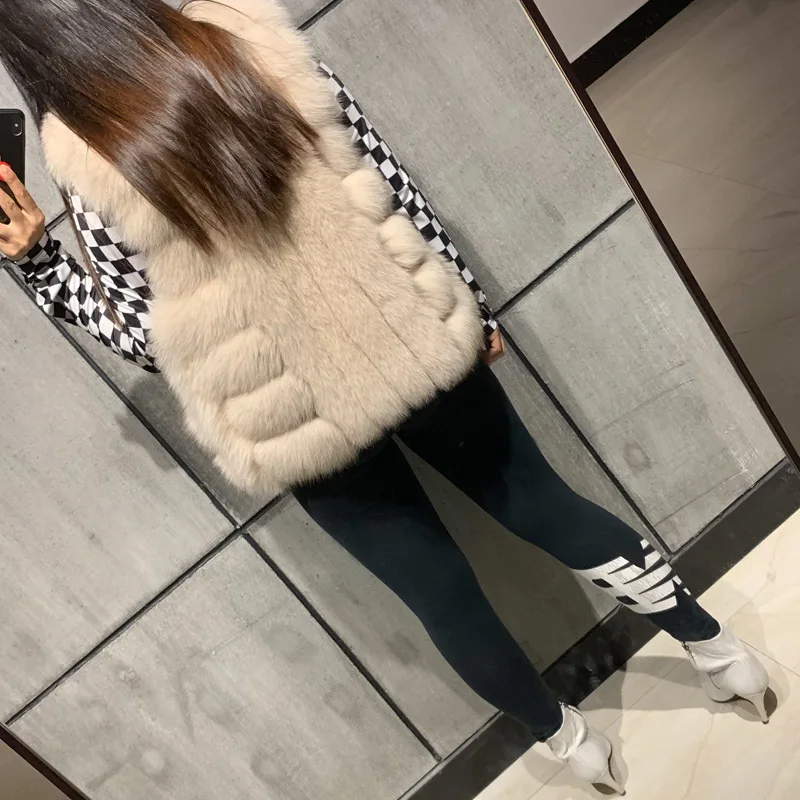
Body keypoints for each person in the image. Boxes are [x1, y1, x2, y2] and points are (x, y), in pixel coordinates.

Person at [0, 0, 770, 793]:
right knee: (547, 507)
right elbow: (382, 182)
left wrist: (41, 263)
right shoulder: (244, 38)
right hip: (402, 342)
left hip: (297, 419)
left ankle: (571, 746)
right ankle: (719, 652)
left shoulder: (88, 158)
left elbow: (151, 340)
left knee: (444, 597)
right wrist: (465, 304)